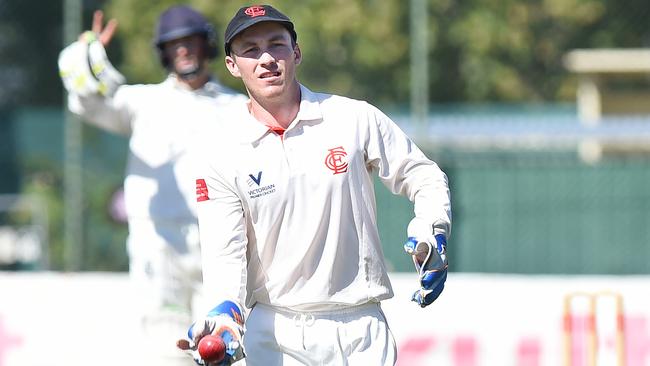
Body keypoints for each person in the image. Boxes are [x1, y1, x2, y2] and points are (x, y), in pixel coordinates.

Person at [178, 4, 452, 366]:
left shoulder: (353, 118)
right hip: (276, 334)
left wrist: (432, 231)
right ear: (232, 65)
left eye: (277, 45)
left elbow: (424, 175)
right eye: (250, 50)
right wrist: (226, 314)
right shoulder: (220, 154)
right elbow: (224, 254)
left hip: (361, 328)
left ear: (296, 51)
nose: (266, 59)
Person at [57, 5, 246, 364]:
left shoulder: (238, 108)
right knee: (164, 346)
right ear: (164, 52)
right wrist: (88, 53)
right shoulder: (142, 102)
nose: (184, 50)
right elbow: (86, 102)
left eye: (190, 42)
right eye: (175, 45)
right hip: (157, 245)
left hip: (221, 242)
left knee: (225, 347)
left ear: (206, 46)